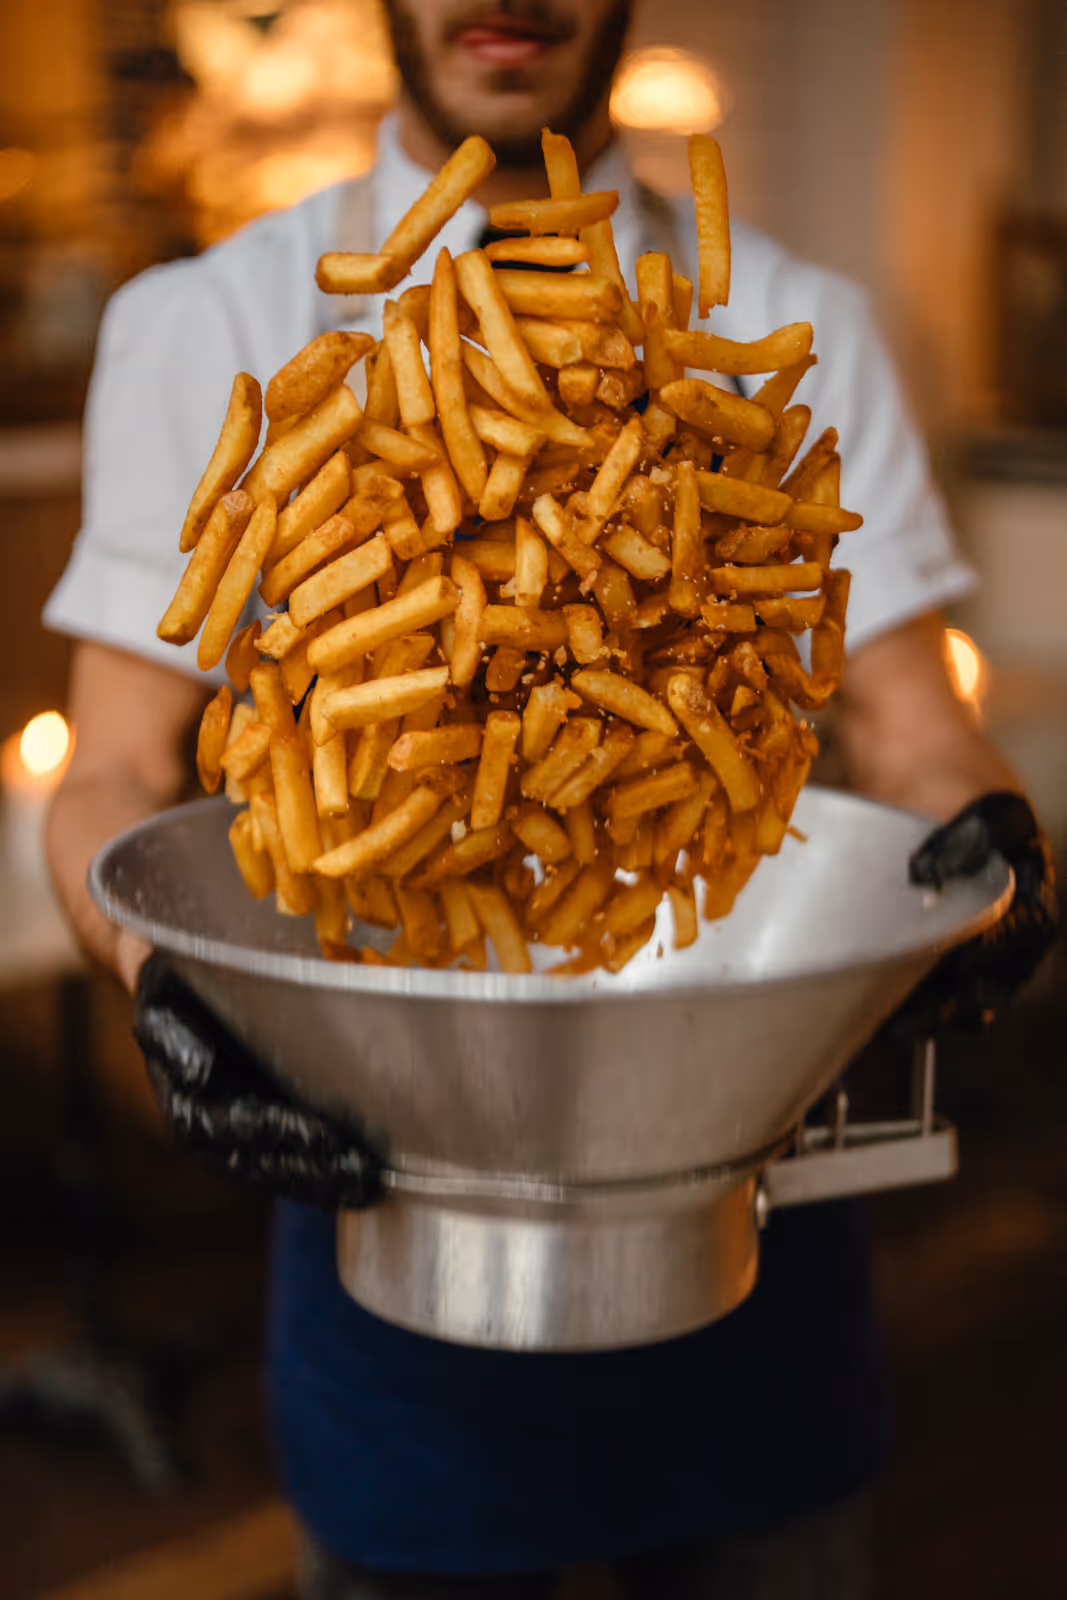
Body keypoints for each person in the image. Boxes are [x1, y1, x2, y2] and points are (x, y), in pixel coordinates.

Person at [44, 2, 1056, 1596]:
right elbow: (109, 765)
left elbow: (916, 730)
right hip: (383, 1162)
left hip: (750, 1175)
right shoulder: (212, 314)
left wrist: (994, 836)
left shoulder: (795, 318)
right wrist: (153, 979)